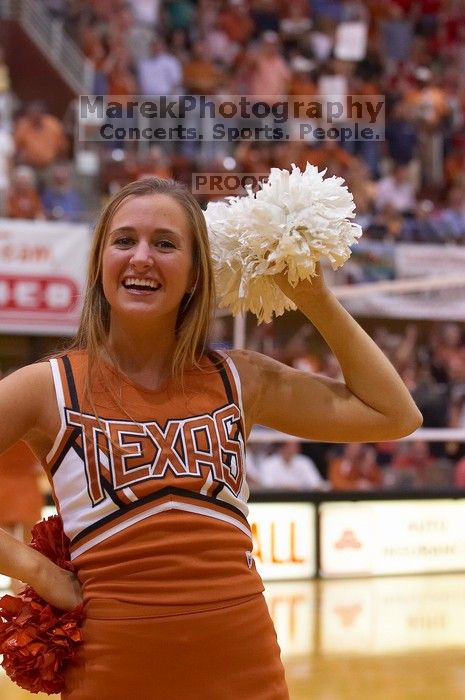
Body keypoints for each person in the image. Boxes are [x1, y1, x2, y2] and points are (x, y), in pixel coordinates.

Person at [0, 176, 422, 699]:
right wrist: (36, 571)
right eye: (124, 240)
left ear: (197, 274)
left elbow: (393, 414)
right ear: (99, 263)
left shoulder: (239, 378)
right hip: (113, 673)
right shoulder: (48, 387)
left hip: (245, 669)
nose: (142, 258)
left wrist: (313, 298)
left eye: (166, 243)